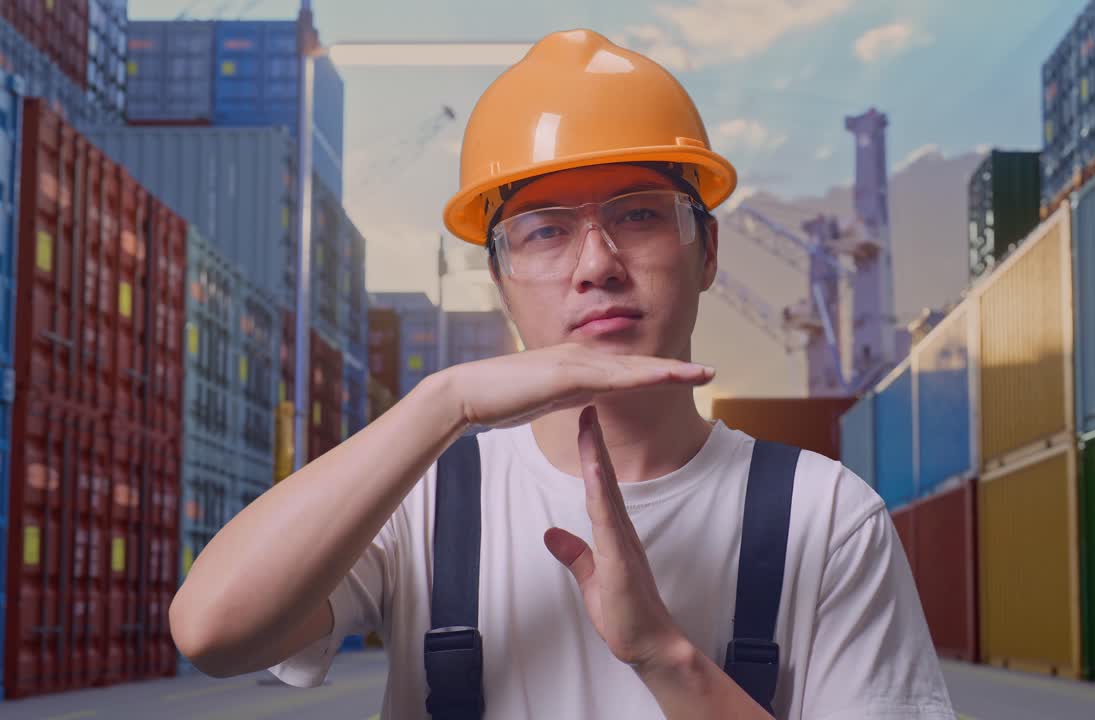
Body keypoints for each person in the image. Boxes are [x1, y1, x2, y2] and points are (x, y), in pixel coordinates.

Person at [169, 28, 956, 720]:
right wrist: (444, 400)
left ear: (708, 251)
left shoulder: (827, 518)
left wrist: (665, 657)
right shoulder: (426, 501)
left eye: (639, 214)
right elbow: (212, 633)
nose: (597, 265)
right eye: (545, 232)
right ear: (500, 278)